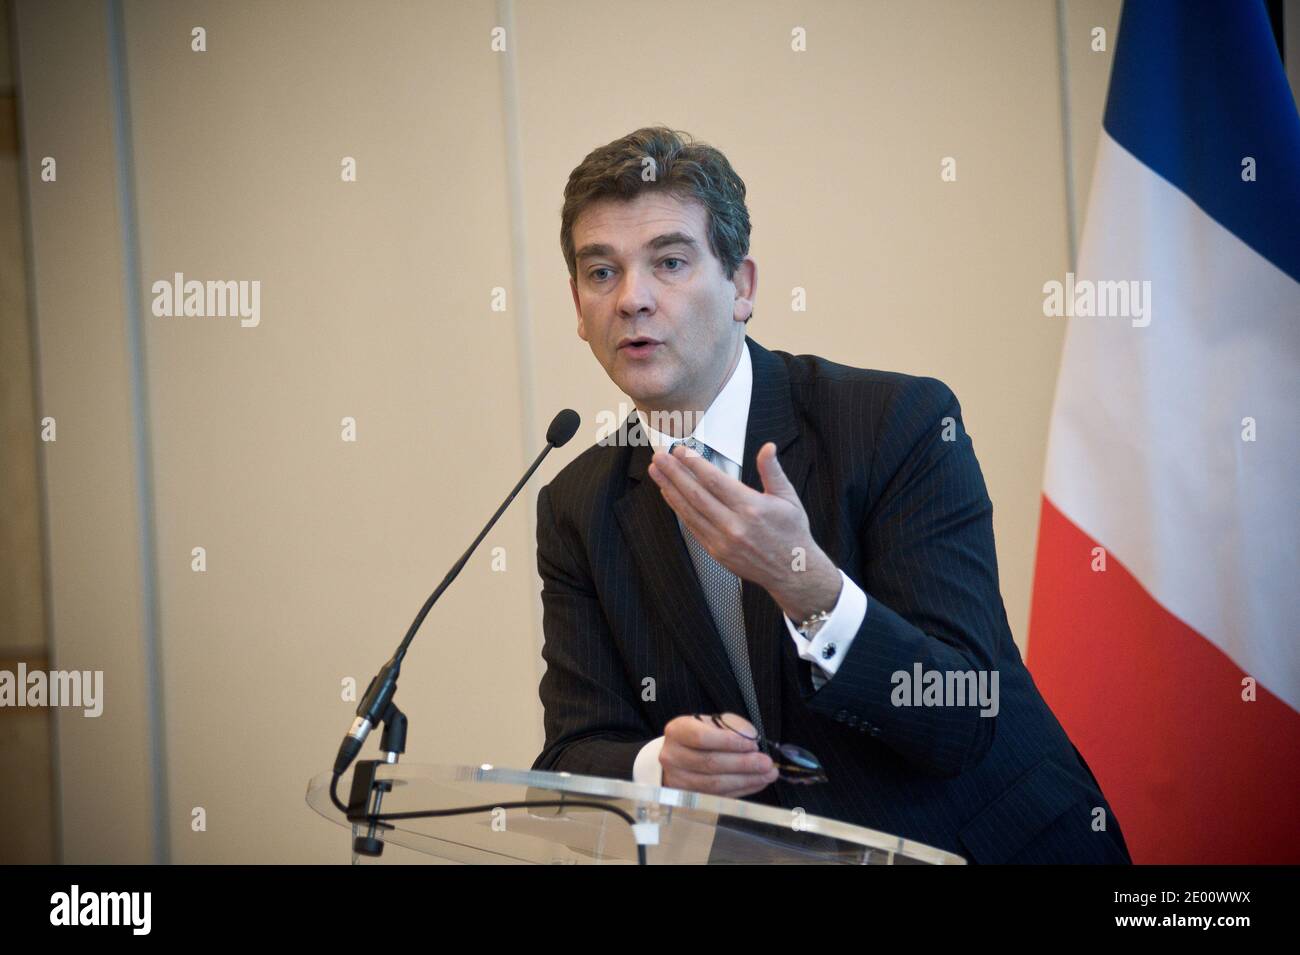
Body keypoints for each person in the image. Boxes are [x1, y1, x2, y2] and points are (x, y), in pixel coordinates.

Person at [531, 126, 1131, 864]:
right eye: (602, 272)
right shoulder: (576, 505)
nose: (632, 299)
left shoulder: (896, 424)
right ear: (577, 304)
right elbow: (572, 756)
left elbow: (965, 711)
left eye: (670, 262)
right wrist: (659, 764)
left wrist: (807, 586)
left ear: (742, 286)